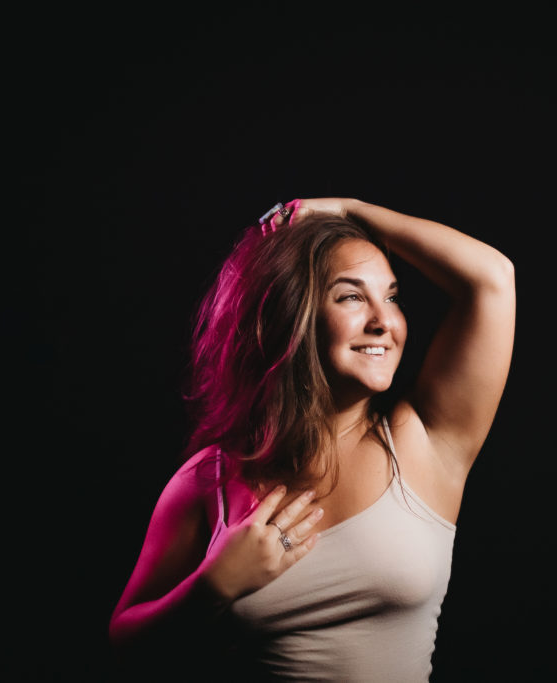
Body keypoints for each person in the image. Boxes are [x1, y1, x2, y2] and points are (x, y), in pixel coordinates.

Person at [108, 197, 516, 681]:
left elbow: (492, 278)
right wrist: (213, 586)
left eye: (390, 296)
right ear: (292, 315)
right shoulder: (210, 481)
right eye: (350, 297)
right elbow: (124, 646)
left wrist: (347, 210)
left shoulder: (423, 440)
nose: (383, 322)